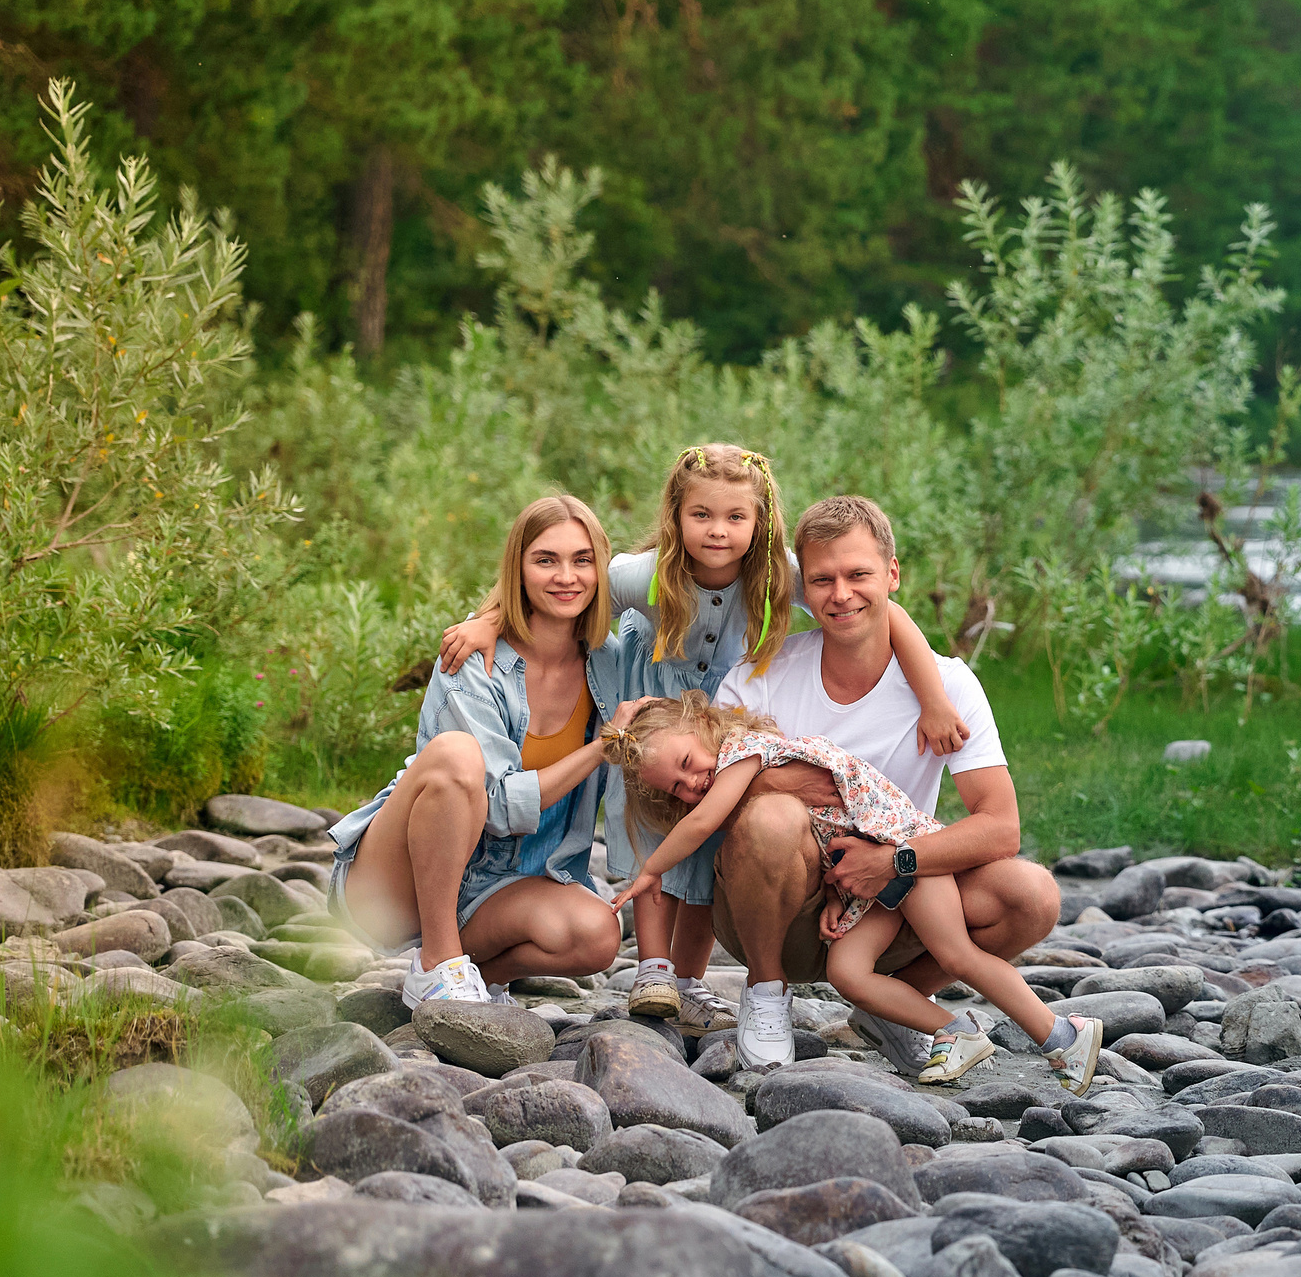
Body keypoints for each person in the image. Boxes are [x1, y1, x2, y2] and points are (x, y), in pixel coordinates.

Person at [433, 443, 967, 1028]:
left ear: (761, 521)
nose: (718, 531)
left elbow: (889, 612)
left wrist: (934, 700)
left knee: (710, 836)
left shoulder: (777, 572)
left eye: (736, 517)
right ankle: (652, 968)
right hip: (656, 718)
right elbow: (572, 588)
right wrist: (489, 619)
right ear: (676, 516)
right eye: (702, 515)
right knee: (648, 824)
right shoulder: (649, 574)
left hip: (722, 718)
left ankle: (687, 979)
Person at [707, 495, 1062, 1074]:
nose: (841, 594)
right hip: (779, 911)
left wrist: (893, 861)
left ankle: (894, 1007)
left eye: (858, 575)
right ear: (804, 588)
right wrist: (774, 786)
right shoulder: (760, 677)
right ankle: (766, 991)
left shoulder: (946, 687)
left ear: (892, 574)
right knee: (771, 816)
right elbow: (703, 800)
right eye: (822, 580)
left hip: (887, 910)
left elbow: (1000, 828)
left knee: (1033, 894)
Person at [601, 693, 1101, 1089]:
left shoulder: (742, 749)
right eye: (676, 788)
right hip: (865, 881)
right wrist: (837, 896)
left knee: (957, 953)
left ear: (700, 725)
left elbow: (701, 823)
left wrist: (651, 872)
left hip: (906, 855)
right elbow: (831, 831)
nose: (692, 783)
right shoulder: (727, 766)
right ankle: (954, 1031)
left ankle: (1062, 1035)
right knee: (848, 972)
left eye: (687, 762)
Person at [327, 495, 632, 1004]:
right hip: (397, 883)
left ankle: (472, 977)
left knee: (598, 935)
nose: (566, 577)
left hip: (502, 886)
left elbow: (676, 585)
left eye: (582, 560)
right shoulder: (473, 655)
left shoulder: (611, 663)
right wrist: (601, 748)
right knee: (456, 755)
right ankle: (438, 964)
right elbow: (500, 807)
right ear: (518, 569)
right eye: (545, 560)